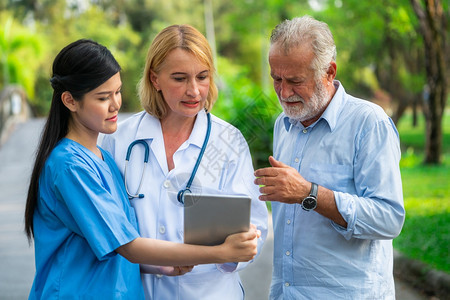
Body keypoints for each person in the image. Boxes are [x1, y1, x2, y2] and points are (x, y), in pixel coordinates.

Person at [24, 39, 261, 299]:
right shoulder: (73, 165)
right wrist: (220, 252)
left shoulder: (100, 157)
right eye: (103, 97)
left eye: (117, 92)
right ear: (70, 101)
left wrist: (158, 266)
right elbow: (126, 245)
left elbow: (109, 244)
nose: (115, 105)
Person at [100, 24, 268, 299]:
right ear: (155, 79)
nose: (194, 90)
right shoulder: (120, 140)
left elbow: (255, 225)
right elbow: (109, 227)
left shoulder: (228, 141)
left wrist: (238, 247)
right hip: (139, 291)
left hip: (210, 292)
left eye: (202, 77)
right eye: (179, 78)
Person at [254, 16, 405, 299]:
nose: (284, 93)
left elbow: (389, 218)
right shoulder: (283, 124)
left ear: (329, 71)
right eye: (277, 79)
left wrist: (309, 194)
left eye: (296, 81)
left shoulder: (368, 123)